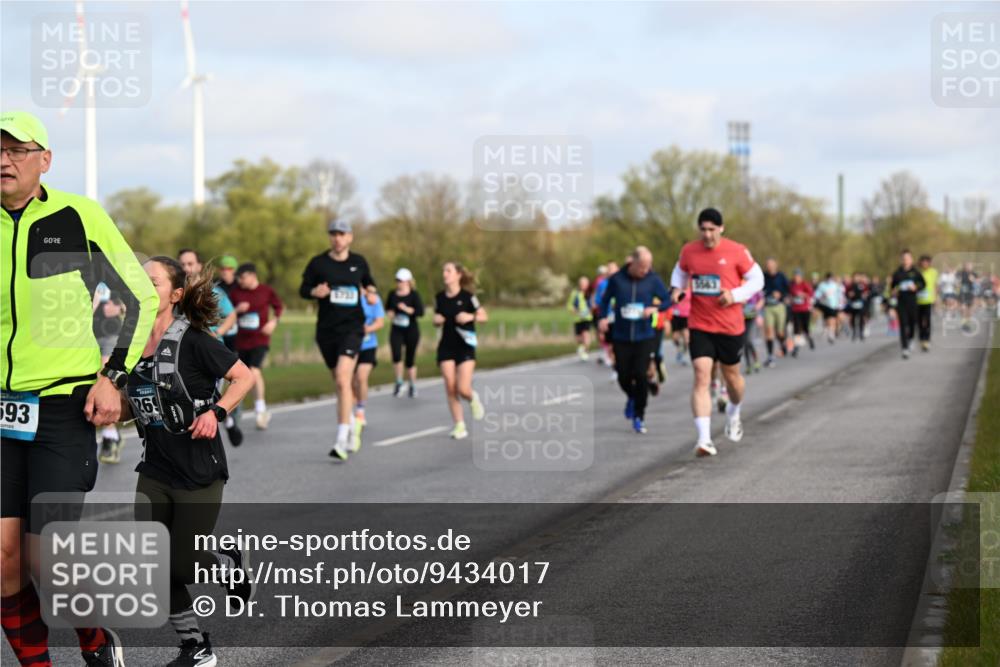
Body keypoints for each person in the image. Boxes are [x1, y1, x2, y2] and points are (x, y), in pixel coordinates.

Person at [1, 110, 158, 667]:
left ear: (44, 158)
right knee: (3, 557)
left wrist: (113, 377)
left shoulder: (79, 216)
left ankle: (93, 637)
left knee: (47, 557)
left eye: (18, 149)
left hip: (63, 406)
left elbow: (141, 296)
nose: (4, 159)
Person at [121, 256, 255, 667]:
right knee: (153, 563)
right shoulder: (128, 343)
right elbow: (135, 406)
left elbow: (243, 376)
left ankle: (227, 561)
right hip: (156, 469)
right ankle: (196, 647)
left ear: (175, 295)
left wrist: (216, 414)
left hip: (198, 472)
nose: (145, 288)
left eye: (154, 282)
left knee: (179, 562)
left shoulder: (194, 340)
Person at [670, 208, 764, 457]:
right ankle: (704, 439)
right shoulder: (690, 251)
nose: (708, 235)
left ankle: (734, 411)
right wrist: (676, 288)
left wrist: (734, 295)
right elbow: (680, 271)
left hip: (730, 326)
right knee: (701, 375)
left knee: (732, 377)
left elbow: (758, 280)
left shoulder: (737, 251)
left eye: (712, 230)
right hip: (700, 324)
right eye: (703, 230)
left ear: (721, 228)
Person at [299, 219, 377, 459]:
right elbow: (303, 289)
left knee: (344, 380)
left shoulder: (359, 262)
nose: (337, 238)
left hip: (353, 329)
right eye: (333, 234)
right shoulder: (318, 263)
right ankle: (352, 424)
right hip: (327, 332)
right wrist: (315, 292)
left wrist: (372, 294)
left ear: (350, 237)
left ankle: (341, 439)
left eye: (342, 234)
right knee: (340, 382)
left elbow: (369, 284)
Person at [596, 248, 672, 434]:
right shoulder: (617, 280)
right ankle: (631, 396)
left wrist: (655, 308)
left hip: (645, 335)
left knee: (640, 375)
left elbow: (668, 299)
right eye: (643, 267)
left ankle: (639, 415)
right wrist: (603, 318)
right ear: (633, 263)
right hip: (621, 335)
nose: (646, 270)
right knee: (622, 375)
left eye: (648, 267)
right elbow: (605, 301)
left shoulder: (652, 279)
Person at [178, 249, 243, 446]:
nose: (186, 268)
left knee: (206, 398)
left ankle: (222, 425)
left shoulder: (212, 291)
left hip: (209, 351)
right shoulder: (176, 292)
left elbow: (231, 315)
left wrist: (218, 332)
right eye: (182, 264)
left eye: (190, 264)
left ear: (199, 265)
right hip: (183, 351)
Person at [434, 262, 488, 440]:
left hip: (465, 344)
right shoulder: (440, 297)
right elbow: (436, 316)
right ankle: (459, 425)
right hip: (446, 345)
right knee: (450, 387)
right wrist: (437, 319)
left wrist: (469, 316)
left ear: (458, 275)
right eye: (443, 270)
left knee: (462, 388)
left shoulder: (468, 297)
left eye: (448, 270)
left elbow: (483, 316)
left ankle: (472, 398)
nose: (445, 274)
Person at [229, 263, 283, 430]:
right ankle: (235, 410)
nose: (240, 281)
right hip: (241, 341)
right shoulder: (236, 293)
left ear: (252, 275)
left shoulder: (266, 291)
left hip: (260, 340)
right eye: (238, 278)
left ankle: (260, 410)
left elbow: (279, 307)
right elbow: (226, 311)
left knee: (254, 370)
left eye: (242, 277)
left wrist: (273, 322)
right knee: (241, 375)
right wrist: (237, 310)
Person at [92, 282, 127, 463]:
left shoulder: (110, 273)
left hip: (110, 335)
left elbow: (133, 300)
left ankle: (109, 434)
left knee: (104, 378)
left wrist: (120, 307)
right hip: (86, 336)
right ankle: (112, 434)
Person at [352, 290, 385, 453]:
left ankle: (360, 411)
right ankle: (349, 415)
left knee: (361, 376)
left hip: (368, 345)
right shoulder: (347, 296)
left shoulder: (372, 299)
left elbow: (380, 322)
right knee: (350, 382)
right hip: (350, 345)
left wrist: (367, 329)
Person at [385, 268, 424, 398]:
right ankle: (399, 382)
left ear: (408, 282)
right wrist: (391, 313)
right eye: (397, 280)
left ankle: (412, 385)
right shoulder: (392, 294)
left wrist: (406, 309)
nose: (399, 283)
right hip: (396, 329)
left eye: (401, 281)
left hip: (411, 329)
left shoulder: (414, 295)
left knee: (410, 359)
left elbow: (420, 312)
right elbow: (388, 310)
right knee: (396, 355)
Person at [890, 250, 926, 359]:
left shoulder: (916, 272)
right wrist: (892, 299)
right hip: (901, 303)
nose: (905, 260)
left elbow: (923, 284)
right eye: (904, 258)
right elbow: (892, 288)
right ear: (901, 260)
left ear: (911, 259)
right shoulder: (897, 273)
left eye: (908, 258)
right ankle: (904, 349)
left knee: (912, 324)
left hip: (913, 302)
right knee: (902, 325)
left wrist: (916, 287)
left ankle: (910, 339)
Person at [761, 258, 790, 368]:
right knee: (769, 331)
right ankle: (770, 356)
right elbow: (759, 288)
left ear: (776, 265)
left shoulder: (781, 276)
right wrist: (766, 293)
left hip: (779, 306)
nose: (770, 266)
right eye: (768, 264)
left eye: (772, 264)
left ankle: (783, 343)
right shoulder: (763, 276)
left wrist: (781, 295)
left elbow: (787, 290)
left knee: (780, 332)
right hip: (768, 306)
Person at [788, 269, 815, 355]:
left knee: (805, 328)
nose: (796, 278)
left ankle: (810, 339)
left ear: (801, 277)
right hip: (795, 310)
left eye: (798, 276)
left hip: (805, 309)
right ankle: (796, 348)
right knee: (796, 329)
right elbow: (789, 294)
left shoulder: (805, 284)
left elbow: (811, 294)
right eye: (795, 276)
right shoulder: (791, 284)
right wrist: (790, 298)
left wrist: (803, 294)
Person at [567, 276, 593, 361]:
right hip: (578, 318)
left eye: (585, 284)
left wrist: (592, 309)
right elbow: (569, 305)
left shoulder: (590, 293)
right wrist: (574, 310)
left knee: (586, 334)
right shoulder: (575, 293)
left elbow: (594, 303)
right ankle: (581, 347)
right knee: (578, 338)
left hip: (587, 318)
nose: (584, 285)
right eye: (582, 284)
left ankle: (585, 351)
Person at [917, 255, 939, 352]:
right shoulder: (918, 272)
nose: (925, 264)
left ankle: (927, 340)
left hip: (929, 300)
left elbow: (935, 285)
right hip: (918, 300)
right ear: (920, 263)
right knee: (919, 321)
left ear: (929, 263)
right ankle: (922, 338)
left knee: (927, 320)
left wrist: (935, 298)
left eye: (927, 262)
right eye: (923, 262)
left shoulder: (933, 272)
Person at [814, 273, 843, 344]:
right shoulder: (822, 285)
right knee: (828, 320)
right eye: (828, 278)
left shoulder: (835, 285)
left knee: (833, 320)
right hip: (825, 305)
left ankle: (831, 333)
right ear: (826, 278)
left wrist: (840, 303)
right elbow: (816, 295)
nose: (829, 280)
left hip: (834, 305)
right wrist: (822, 296)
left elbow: (839, 294)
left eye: (831, 278)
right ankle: (829, 331)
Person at [742, 290, 763, 373]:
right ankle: (748, 365)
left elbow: (761, 300)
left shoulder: (753, 286)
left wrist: (757, 309)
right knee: (744, 342)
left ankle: (756, 360)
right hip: (741, 318)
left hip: (752, 316)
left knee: (748, 340)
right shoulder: (740, 286)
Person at [845, 272, 868, 342]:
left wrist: (865, 294)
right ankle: (854, 333)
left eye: (857, 277)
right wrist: (849, 295)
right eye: (855, 277)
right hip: (853, 303)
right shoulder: (850, 285)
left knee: (861, 319)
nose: (856, 278)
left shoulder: (862, 285)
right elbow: (846, 293)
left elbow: (866, 292)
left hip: (860, 303)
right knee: (853, 319)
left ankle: (861, 333)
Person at [956, 261, 977, 333]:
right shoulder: (960, 273)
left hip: (970, 294)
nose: (969, 267)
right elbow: (957, 282)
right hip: (963, 293)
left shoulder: (974, 274)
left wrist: (973, 279)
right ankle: (963, 324)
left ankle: (966, 324)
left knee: (970, 311)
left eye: (970, 266)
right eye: (967, 266)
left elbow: (976, 282)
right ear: (964, 266)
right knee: (963, 308)